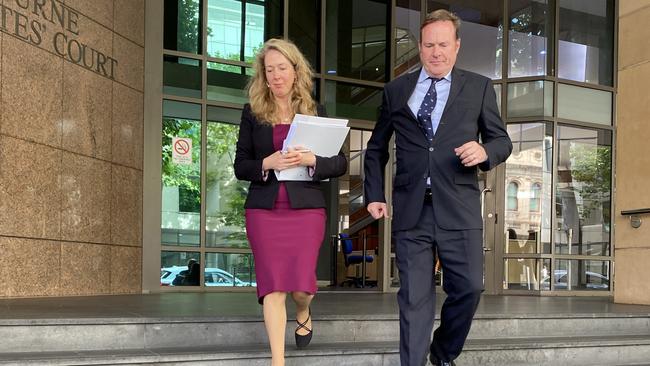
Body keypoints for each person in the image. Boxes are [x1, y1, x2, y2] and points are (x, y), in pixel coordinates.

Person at [363, 9, 512, 366]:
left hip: (459, 207)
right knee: (414, 299)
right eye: (429, 44)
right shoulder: (396, 90)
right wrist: (374, 195)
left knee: (470, 289)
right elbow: (376, 148)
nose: (436, 52)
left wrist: (484, 151)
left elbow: (502, 141)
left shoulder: (478, 87)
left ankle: (442, 352)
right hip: (412, 210)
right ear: (419, 46)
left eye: (443, 44)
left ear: (456, 46)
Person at [234, 38, 347, 366]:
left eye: (282, 68)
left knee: (301, 288)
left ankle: (303, 309)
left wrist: (314, 159)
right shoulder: (252, 113)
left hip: (306, 210)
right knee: (272, 287)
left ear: (296, 71)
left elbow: (339, 163)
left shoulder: (316, 111)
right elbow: (241, 165)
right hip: (264, 211)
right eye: (269, 70)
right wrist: (266, 164)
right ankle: (278, 361)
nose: (276, 76)